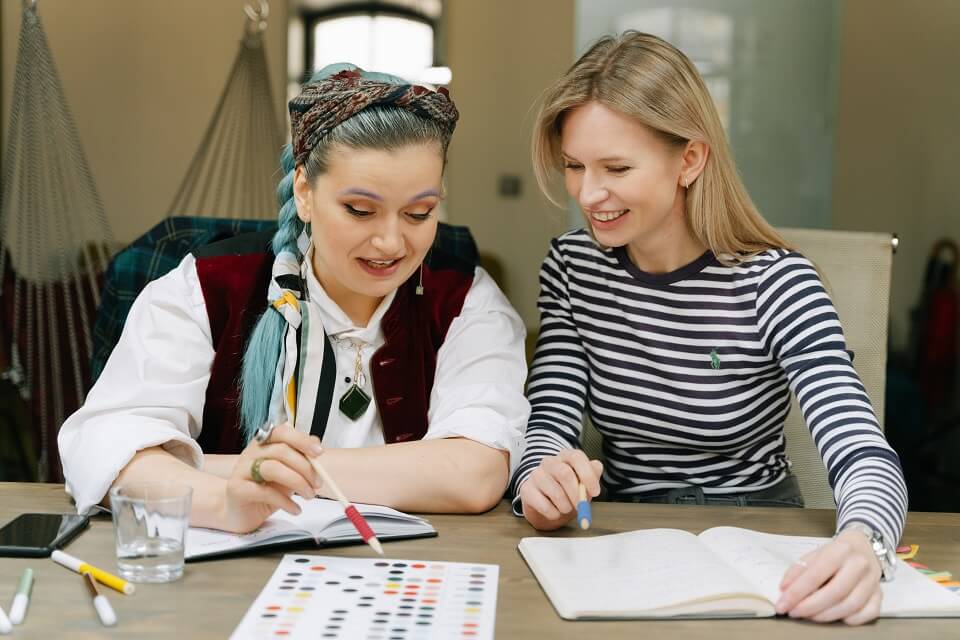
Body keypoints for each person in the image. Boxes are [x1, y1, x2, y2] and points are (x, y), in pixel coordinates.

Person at [510, 32, 906, 625]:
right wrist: (537, 481)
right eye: (574, 166)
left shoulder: (779, 283)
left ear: (689, 160)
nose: (588, 194)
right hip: (627, 535)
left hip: (758, 532)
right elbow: (550, 419)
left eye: (616, 167)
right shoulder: (573, 268)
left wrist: (866, 543)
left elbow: (861, 449)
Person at [59, 64, 528, 534]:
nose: (391, 242)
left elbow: (474, 474)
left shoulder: (467, 301)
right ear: (304, 192)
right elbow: (105, 446)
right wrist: (226, 501)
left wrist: (228, 468)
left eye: (419, 213)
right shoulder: (206, 287)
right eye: (360, 211)